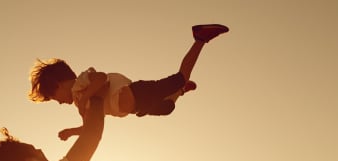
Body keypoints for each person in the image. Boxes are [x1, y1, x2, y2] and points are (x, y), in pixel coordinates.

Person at [29, 23, 229, 140]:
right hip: (137, 107)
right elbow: (90, 128)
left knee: (179, 77)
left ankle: (199, 38)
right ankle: (181, 90)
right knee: (168, 108)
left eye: (54, 98)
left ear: (59, 84)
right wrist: (71, 132)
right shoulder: (81, 104)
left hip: (135, 92)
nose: (60, 102)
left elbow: (102, 79)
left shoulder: (81, 83)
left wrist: (85, 98)